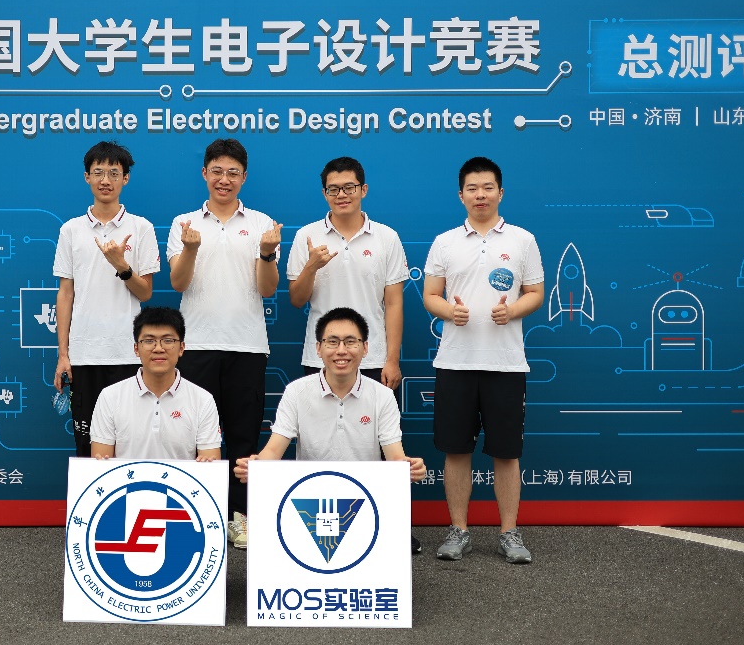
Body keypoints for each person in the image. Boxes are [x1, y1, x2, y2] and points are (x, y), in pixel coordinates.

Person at [422, 156, 544, 564]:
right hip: (455, 362)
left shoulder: (523, 240)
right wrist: (448, 311)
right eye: (472, 188)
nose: (480, 195)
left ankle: (509, 532)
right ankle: (459, 530)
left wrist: (513, 311)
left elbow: (535, 293)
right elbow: (430, 295)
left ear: (500, 193)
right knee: (456, 451)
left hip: (506, 364)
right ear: (461, 195)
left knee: (506, 453)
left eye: (488, 187)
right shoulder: (445, 242)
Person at [166, 138, 281, 549]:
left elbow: (267, 290)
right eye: (217, 171)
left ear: (244, 177)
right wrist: (190, 249)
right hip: (196, 346)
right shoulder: (184, 223)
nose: (224, 179)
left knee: (243, 438)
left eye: (233, 172)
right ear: (204, 173)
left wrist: (266, 254)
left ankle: (239, 518)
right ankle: (192, 517)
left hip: (246, 346)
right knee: (192, 436)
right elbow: (178, 282)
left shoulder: (263, 224)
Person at [233, 307, 426, 549]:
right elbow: (273, 450)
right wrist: (256, 466)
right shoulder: (296, 392)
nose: (341, 350)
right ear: (318, 348)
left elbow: (395, 456)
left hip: (364, 500)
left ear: (365, 348)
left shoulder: (383, 395)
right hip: (309, 501)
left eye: (350, 342)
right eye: (332, 342)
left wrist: (409, 468)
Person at [53, 141, 160, 458]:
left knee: (130, 442)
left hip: (128, 354)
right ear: (87, 176)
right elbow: (66, 293)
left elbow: (146, 292)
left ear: (125, 178)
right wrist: (63, 354)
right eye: (98, 172)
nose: (105, 180)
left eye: (114, 173)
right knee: (87, 445)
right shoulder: (71, 230)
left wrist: (121, 266)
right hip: (84, 355)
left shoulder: (141, 228)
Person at [287, 156, 408, 392]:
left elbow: (394, 304)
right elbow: (297, 299)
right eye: (333, 189)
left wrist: (392, 360)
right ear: (324, 194)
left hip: (372, 358)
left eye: (349, 187)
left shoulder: (387, 237)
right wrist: (311, 266)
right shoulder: (306, 236)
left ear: (363, 190)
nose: (341, 195)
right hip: (321, 357)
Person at [89, 307, 222, 462]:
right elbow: (101, 465)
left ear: (181, 348)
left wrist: (207, 464)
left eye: (168, 340)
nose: (158, 348)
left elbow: (210, 467)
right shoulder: (110, 397)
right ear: (136, 349)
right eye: (149, 341)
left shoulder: (203, 400)